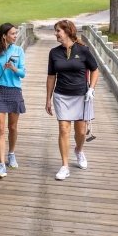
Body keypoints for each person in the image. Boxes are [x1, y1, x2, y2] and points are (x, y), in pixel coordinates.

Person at [45, 19, 99, 181]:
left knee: (81, 132)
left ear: (67, 31)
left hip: (81, 96)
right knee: (63, 129)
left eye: (58, 31)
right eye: (55, 31)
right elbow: (51, 76)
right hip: (61, 95)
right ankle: (65, 166)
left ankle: (79, 150)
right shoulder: (53, 53)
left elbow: (95, 70)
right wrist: (48, 99)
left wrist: (91, 89)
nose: (56, 34)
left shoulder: (83, 50)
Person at [0, 22, 27, 178]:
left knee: (13, 127)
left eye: (16, 33)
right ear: (4, 36)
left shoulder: (18, 51)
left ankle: (11, 154)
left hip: (14, 91)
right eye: (13, 34)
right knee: (0, 130)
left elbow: (23, 74)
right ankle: (1, 165)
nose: (15, 36)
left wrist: (13, 68)